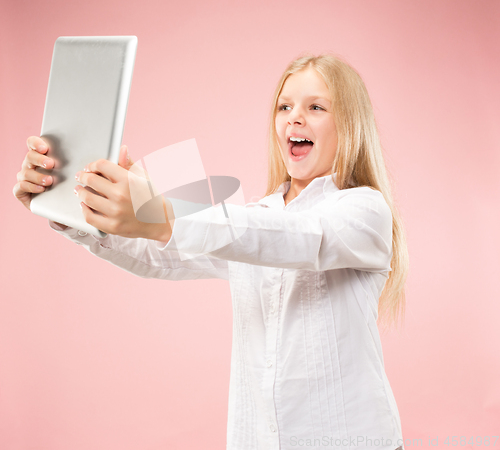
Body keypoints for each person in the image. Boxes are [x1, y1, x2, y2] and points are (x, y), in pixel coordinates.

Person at [13, 53, 409, 450]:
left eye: (316, 107)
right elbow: (160, 255)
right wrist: (68, 205)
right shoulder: (253, 215)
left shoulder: (365, 210)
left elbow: (297, 237)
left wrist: (158, 212)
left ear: (350, 126)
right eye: (284, 106)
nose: (294, 118)